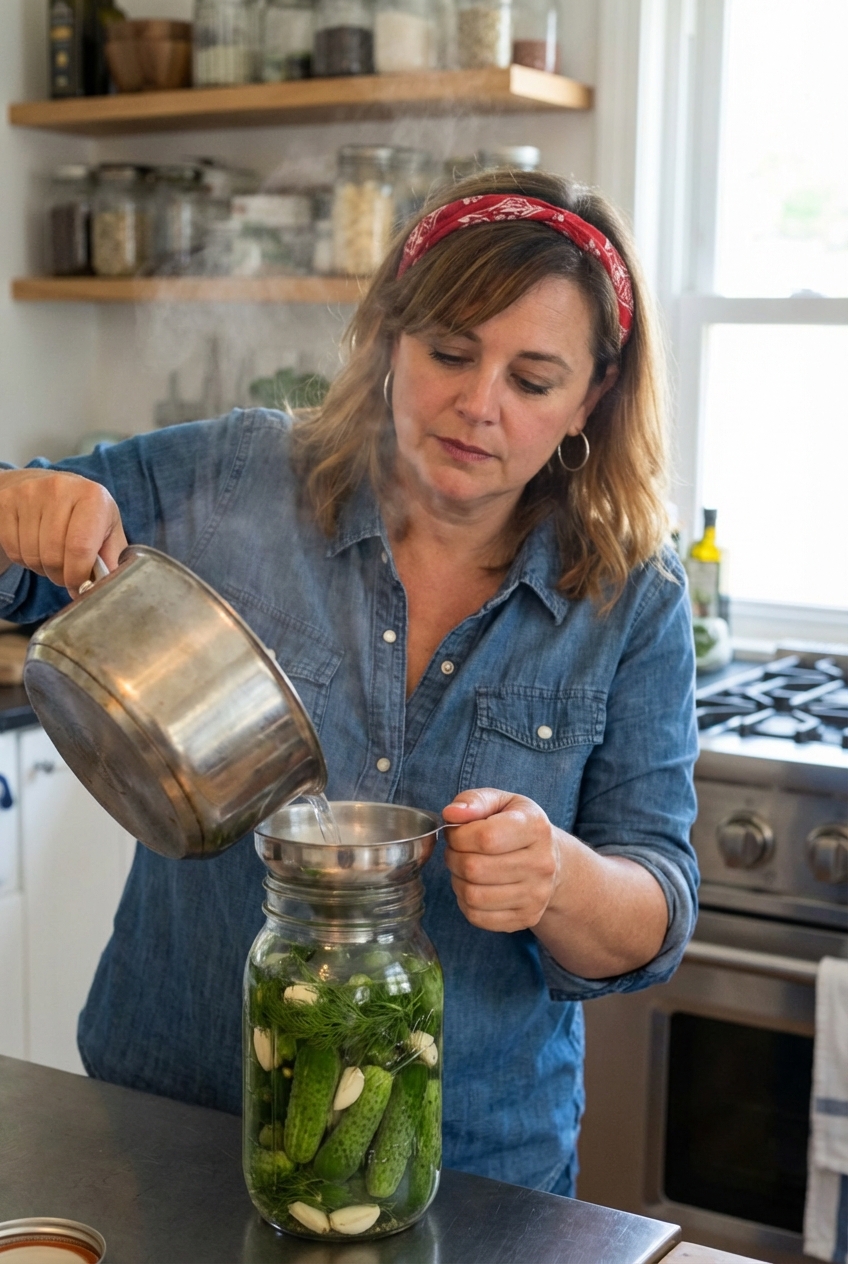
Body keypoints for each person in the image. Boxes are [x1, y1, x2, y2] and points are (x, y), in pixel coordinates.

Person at [0, 169, 698, 1196]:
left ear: (590, 395)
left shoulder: (632, 602)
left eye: (532, 379)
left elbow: (656, 906)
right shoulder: (241, 473)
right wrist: (25, 507)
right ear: (386, 342)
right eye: (448, 353)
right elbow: (28, 559)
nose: (478, 404)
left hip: (468, 1166)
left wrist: (556, 876)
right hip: (170, 1126)